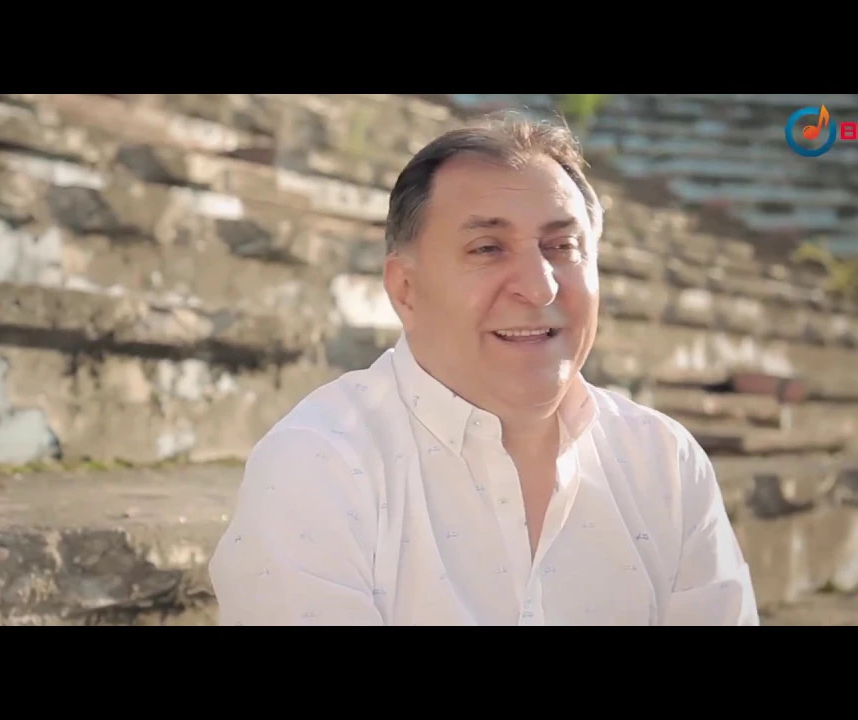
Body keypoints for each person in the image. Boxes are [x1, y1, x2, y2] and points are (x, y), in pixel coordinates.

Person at [208, 113, 759, 626]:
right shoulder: (319, 466)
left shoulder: (665, 461)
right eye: (488, 248)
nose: (539, 286)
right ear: (405, 289)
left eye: (562, 245)